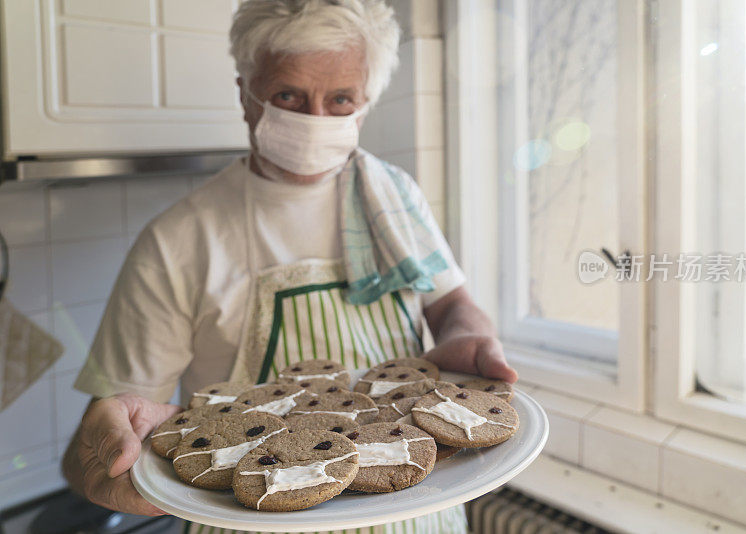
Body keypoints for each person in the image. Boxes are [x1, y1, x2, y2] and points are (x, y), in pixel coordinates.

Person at [61, 1, 517, 533]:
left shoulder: (393, 197)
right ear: (245, 94)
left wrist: (469, 336)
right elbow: (86, 454)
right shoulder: (179, 241)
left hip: (418, 515)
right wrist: (109, 468)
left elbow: (451, 303)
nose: (314, 121)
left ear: (365, 103)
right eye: (288, 96)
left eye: (340, 99)